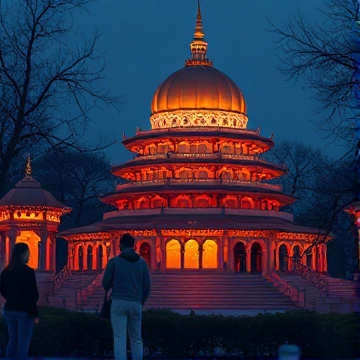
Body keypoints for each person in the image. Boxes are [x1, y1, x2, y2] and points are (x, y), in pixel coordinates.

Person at [102, 233, 151, 360]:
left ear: (121, 246)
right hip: (136, 302)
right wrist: (141, 301)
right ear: (134, 246)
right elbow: (147, 286)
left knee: (119, 337)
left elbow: (105, 284)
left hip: (118, 302)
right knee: (136, 338)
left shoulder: (114, 262)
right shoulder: (142, 263)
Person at [0, 242, 39, 360]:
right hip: (24, 312)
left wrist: (12, 298)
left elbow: (2, 290)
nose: (29, 256)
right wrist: (35, 314)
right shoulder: (28, 272)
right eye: (28, 253)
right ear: (21, 255)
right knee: (23, 345)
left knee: (12, 341)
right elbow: (33, 295)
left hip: (10, 310)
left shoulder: (5, 272)